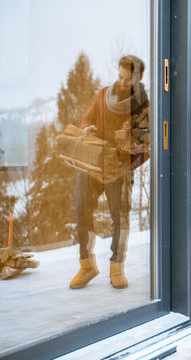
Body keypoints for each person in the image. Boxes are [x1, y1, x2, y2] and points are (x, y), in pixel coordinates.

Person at [69, 55, 149, 290]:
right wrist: (88, 128)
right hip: (92, 165)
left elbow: (149, 147)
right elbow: (88, 118)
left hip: (120, 170)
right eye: (120, 77)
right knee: (81, 210)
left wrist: (130, 162)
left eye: (128, 80)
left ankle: (117, 268)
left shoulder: (144, 106)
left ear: (138, 78)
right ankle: (87, 265)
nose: (123, 83)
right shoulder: (104, 94)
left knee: (120, 219)